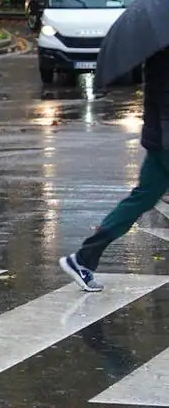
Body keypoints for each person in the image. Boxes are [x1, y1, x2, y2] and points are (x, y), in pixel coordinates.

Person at [61, 47, 169, 292]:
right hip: (166, 140)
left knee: (141, 199)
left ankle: (83, 259)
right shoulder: (164, 54)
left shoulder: (158, 47)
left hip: (160, 138)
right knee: (140, 199)